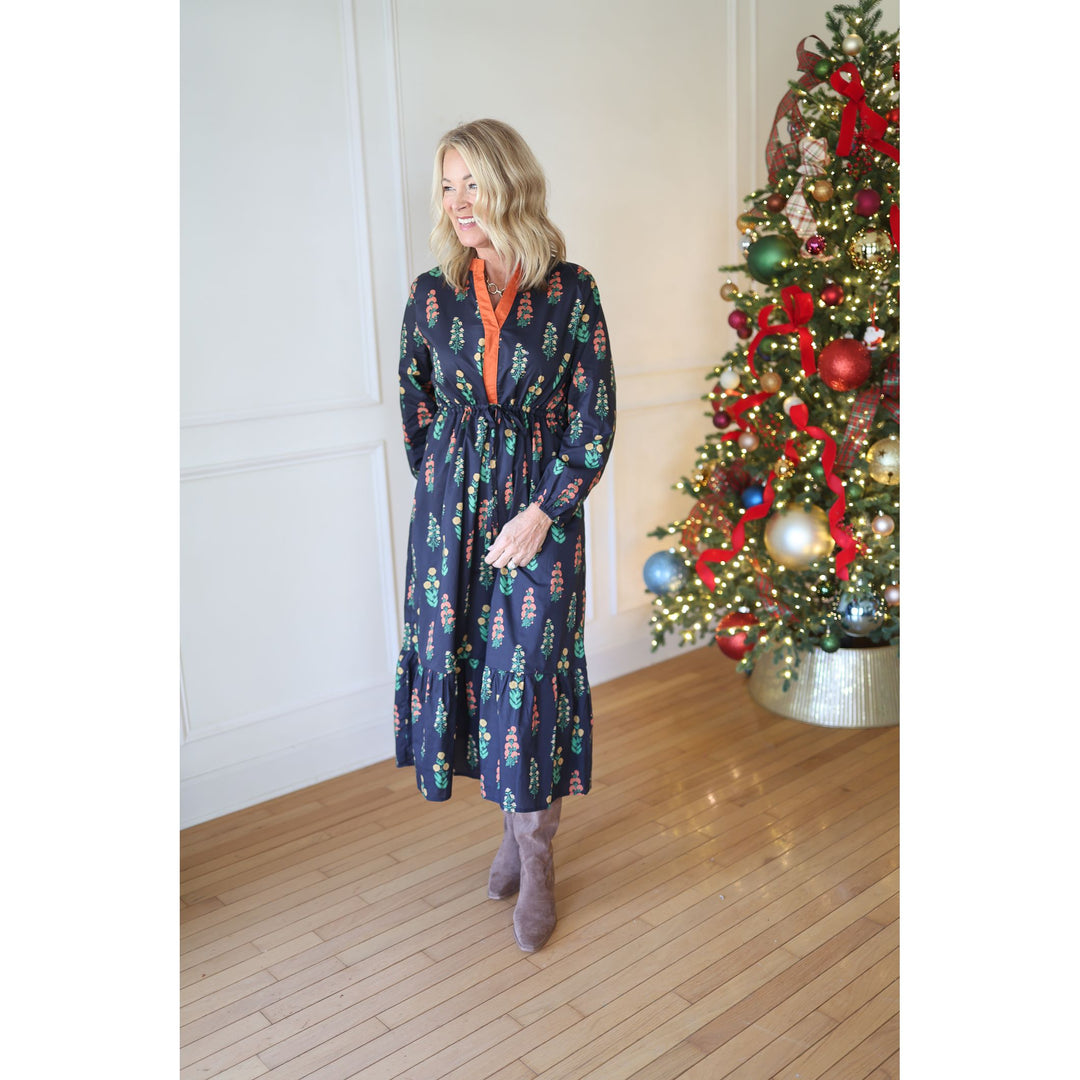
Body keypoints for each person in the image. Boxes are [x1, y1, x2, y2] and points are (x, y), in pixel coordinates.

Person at [393, 118, 616, 952]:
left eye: (471, 184)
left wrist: (541, 510)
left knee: (526, 683)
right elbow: (417, 405)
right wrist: (445, 490)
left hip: (539, 516)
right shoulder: (430, 293)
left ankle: (539, 856)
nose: (456, 203)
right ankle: (510, 834)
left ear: (509, 186)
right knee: (472, 676)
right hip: (451, 518)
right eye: (446, 186)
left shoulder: (571, 291)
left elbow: (593, 420)